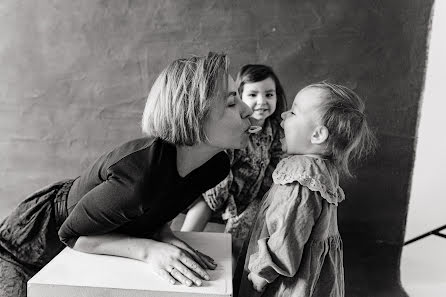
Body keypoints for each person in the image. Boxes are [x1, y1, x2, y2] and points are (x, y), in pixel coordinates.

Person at [0, 52, 254, 297]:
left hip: (86, 252)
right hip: (27, 244)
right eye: (232, 102)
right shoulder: (141, 175)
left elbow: (158, 205)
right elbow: (71, 234)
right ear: (193, 117)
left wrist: (162, 233)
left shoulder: (214, 167)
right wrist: (149, 251)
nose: (248, 110)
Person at [237, 82, 376, 297]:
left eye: (293, 112)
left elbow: (287, 237)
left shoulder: (301, 178)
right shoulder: (323, 170)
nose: (283, 115)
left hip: (289, 285)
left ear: (318, 135)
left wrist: (262, 271)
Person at [181, 64, 286, 244]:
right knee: (203, 205)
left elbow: (275, 162)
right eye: (253, 95)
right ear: (239, 98)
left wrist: (262, 197)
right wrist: (226, 202)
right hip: (218, 187)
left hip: (251, 195)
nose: (262, 101)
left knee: (242, 231)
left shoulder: (276, 130)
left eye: (269, 94)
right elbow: (221, 163)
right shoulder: (235, 127)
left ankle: (232, 257)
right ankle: (182, 241)